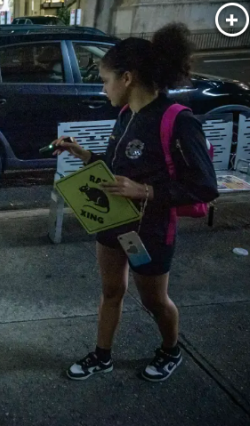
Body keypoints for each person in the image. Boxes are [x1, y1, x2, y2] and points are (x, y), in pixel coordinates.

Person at [53, 23, 219, 382]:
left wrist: (145, 192)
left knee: (154, 301)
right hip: (112, 222)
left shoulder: (178, 121)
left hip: (152, 230)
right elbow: (117, 170)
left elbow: (205, 187)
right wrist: (83, 154)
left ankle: (170, 349)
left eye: (105, 79)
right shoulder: (127, 114)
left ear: (127, 77)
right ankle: (102, 355)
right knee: (111, 291)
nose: (103, 88)